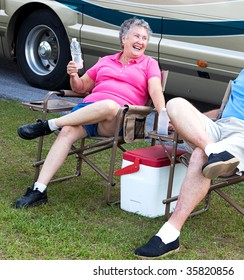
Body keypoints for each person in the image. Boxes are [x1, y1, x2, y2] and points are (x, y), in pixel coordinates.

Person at [134, 22, 244, 258]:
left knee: (200, 154)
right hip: (218, 130)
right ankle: (213, 150)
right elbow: (222, 112)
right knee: (175, 104)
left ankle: (169, 234)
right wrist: (188, 120)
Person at [15, 18, 166, 208]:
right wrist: (73, 75)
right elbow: (81, 87)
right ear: (124, 38)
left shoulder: (149, 64)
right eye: (137, 36)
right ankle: (39, 190)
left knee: (110, 106)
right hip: (87, 112)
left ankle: (49, 125)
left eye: (145, 38)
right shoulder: (105, 61)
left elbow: (156, 91)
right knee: (67, 132)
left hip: (122, 120)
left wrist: (164, 114)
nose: (141, 41)